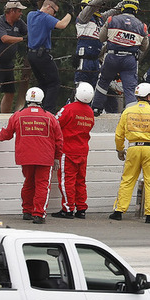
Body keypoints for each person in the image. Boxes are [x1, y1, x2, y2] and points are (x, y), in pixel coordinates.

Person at [0, 87, 63, 224]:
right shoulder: (50, 118)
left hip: (25, 157)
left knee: (29, 183)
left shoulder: (17, 115)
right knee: (42, 185)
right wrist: (57, 157)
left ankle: (27, 211)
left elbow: (6, 134)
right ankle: (39, 214)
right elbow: (59, 141)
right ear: (41, 99)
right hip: (45, 158)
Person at [109, 82, 150, 223]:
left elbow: (119, 134)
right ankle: (149, 215)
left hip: (133, 148)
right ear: (147, 96)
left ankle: (119, 211)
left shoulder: (128, 112)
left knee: (128, 179)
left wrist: (119, 149)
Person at [92, 0, 149, 112]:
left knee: (103, 82)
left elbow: (101, 38)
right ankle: (131, 113)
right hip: (129, 59)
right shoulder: (142, 26)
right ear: (136, 9)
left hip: (112, 56)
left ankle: (96, 108)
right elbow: (144, 47)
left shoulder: (111, 20)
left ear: (123, 7)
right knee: (130, 88)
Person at [52, 82, 95, 219]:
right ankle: (81, 208)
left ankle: (68, 209)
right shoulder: (90, 112)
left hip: (68, 150)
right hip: (82, 151)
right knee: (80, 181)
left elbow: (55, 123)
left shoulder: (68, 109)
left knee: (66, 181)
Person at [27, 0, 72, 113]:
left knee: (42, 83)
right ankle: (49, 111)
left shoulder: (31, 15)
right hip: (42, 55)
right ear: (48, 7)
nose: (55, 15)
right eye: (55, 11)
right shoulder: (45, 18)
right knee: (54, 83)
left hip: (31, 55)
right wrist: (70, 13)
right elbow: (62, 25)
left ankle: (33, 107)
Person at [0, 0, 28, 114]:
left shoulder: (19, 22)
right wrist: (22, 39)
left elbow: (29, 31)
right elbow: (4, 38)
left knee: (10, 92)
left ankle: (5, 119)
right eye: (19, 11)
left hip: (8, 62)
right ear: (11, 11)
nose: (21, 13)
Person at [73, 0, 116, 88]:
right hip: (84, 59)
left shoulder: (99, 19)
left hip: (96, 61)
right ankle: (72, 102)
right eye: (98, 6)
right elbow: (92, 6)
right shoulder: (83, 17)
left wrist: (123, 3)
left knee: (94, 89)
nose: (99, 8)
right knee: (81, 88)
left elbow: (112, 13)